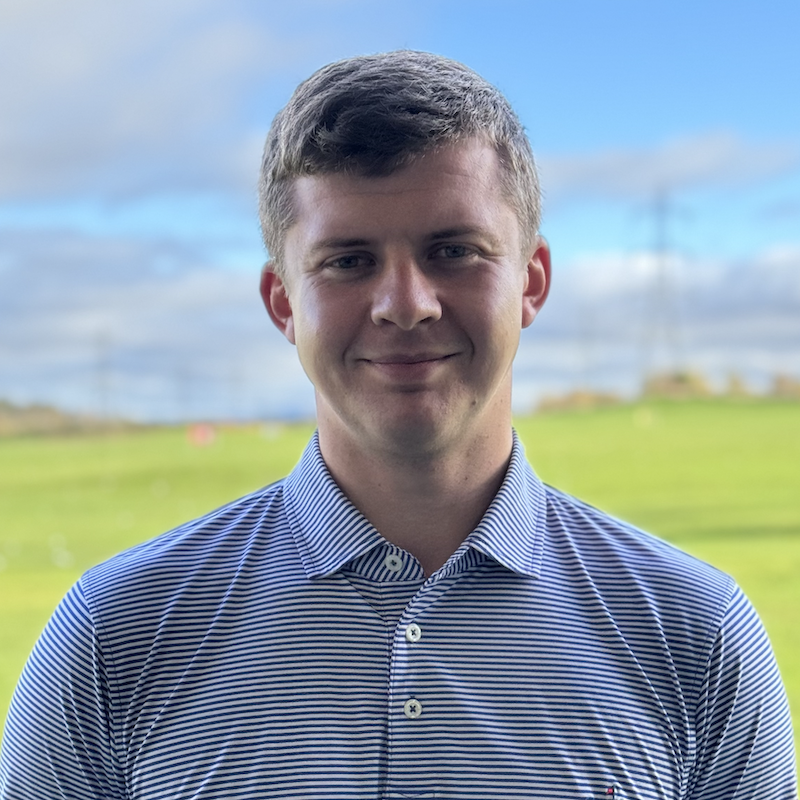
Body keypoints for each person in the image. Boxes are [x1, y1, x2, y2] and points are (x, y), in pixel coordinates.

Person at [0, 51, 796, 800]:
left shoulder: (697, 636)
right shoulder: (114, 636)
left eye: (454, 251)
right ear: (283, 302)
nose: (406, 304)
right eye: (348, 261)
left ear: (532, 281)